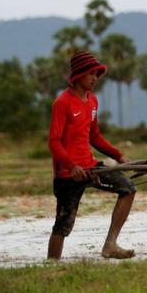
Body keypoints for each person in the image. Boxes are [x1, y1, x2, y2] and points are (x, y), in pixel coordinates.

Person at [47, 50, 136, 260]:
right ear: (78, 75)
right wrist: (71, 166)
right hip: (68, 174)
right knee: (63, 225)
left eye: (97, 74)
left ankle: (110, 245)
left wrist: (118, 155)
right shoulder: (62, 103)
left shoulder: (92, 101)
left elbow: (94, 136)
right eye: (91, 74)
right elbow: (54, 142)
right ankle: (51, 266)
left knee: (128, 189)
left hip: (90, 166)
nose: (95, 78)